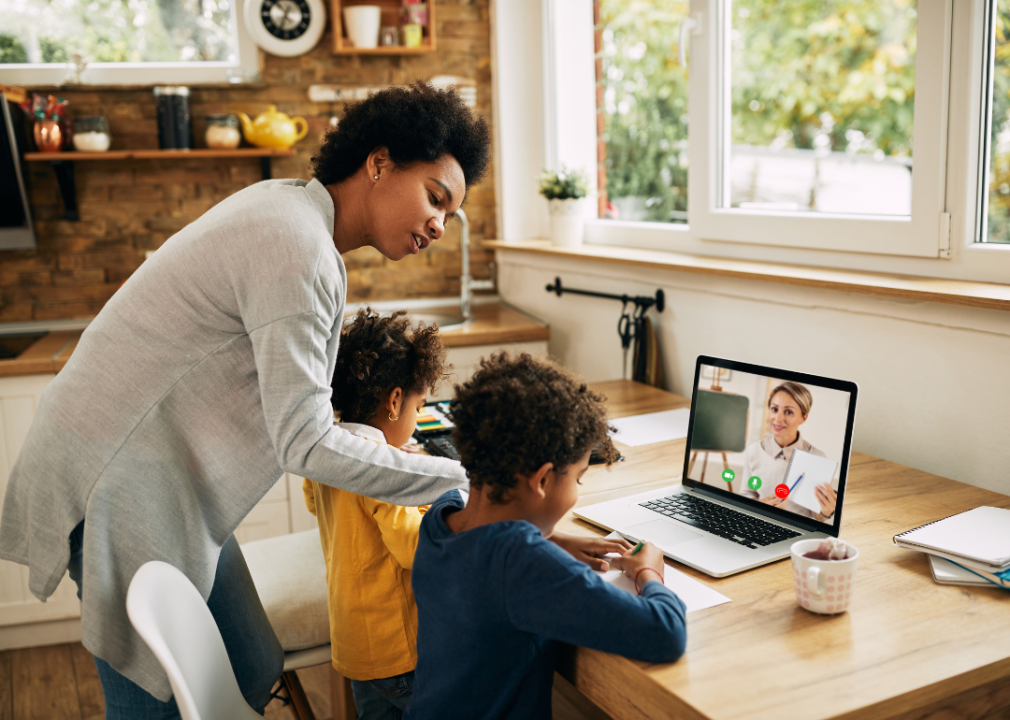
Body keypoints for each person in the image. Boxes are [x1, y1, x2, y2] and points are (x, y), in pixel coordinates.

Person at [0, 83, 492, 719]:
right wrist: (470, 478)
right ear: (379, 163)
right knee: (155, 702)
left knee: (254, 663)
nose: (438, 225)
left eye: (449, 217)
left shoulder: (293, 213)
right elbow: (304, 440)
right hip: (113, 486)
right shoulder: (297, 244)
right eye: (435, 198)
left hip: (166, 482)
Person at [405, 353, 688, 720]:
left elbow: (486, 561)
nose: (577, 491)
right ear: (541, 480)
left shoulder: (441, 517)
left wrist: (551, 541)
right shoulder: (521, 562)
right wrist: (648, 571)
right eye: (579, 478)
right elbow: (664, 633)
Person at [302, 307, 446, 719]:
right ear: (396, 401)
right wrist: (432, 504)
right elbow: (413, 548)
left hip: (354, 647)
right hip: (398, 650)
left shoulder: (329, 453)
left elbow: (315, 500)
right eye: (419, 408)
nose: (417, 423)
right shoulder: (381, 469)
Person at [740, 381, 837, 521]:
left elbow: (817, 517)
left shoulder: (817, 458)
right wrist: (763, 505)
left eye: (788, 412)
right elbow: (746, 495)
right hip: (760, 521)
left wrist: (825, 512)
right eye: (774, 409)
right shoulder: (754, 450)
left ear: (804, 418)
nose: (778, 419)